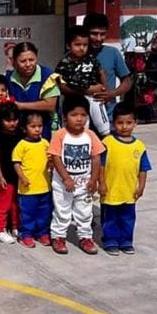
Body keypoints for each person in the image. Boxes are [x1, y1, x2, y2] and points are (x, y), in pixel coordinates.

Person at [48, 95, 105, 255]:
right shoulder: (60, 135)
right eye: (74, 115)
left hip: (84, 184)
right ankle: (58, 236)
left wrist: (94, 180)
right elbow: (56, 157)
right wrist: (66, 178)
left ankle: (85, 237)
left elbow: (96, 158)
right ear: (65, 117)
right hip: (63, 184)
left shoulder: (91, 135)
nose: (79, 119)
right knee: (62, 210)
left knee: (85, 211)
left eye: (83, 115)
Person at [98, 103, 152, 255]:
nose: (124, 126)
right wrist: (101, 183)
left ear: (135, 123)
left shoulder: (139, 146)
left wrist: (141, 187)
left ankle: (126, 241)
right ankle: (110, 241)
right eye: (120, 123)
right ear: (113, 123)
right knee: (110, 219)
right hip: (110, 191)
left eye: (129, 123)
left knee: (128, 218)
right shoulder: (107, 142)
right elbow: (100, 165)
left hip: (129, 192)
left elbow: (143, 169)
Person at [54, 25, 110, 136]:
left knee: (104, 125)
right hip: (75, 99)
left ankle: (108, 139)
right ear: (68, 46)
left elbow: (101, 72)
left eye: (85, 45)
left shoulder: (91, 59)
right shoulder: (64, 63)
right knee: (81, 126)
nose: (81, 48)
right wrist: (86, 90)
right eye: (77, 45)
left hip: (94, 96)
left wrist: (104, 90)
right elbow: (60, 84)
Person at [12, 112, 52, 248]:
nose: (37, 129)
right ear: (24, 128)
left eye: (40, 126)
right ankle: (26, 235)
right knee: (27, 214)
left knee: (44, 212)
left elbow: (49, 161)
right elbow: (16, 163)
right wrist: (22, 177)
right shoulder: (22, 145)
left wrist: (51, 164)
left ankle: (42, 233)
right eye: (33, 126)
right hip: (27, 189)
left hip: (44, 186)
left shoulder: (45, 143)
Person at [83, 12, 133, 121]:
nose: (98, 38)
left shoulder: (113, 53)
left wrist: (111, 94)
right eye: (94, 34)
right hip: (81, 121)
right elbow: (63, 85)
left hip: (109, 117)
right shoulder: (74, 55)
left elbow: (127, 81)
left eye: (102, 34)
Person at [6, 42, 60, 139]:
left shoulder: (47, 76)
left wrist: (20, 106)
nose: (28, 64)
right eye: (23, 61)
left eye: (31, 60)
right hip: (18, 130)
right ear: (14, 61)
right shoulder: (8, 77)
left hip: (44, 130)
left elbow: (50, 105)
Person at [0, 101, 22, 244]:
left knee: (16, 204)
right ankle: (0, 230)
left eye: (14, 119)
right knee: (3, 205)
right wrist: (0, 176)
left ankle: (15, 227)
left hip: (18, 177)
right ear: (1, 120)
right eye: (8, 120)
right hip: (5, 177)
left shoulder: (20, 134)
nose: (12, 123)